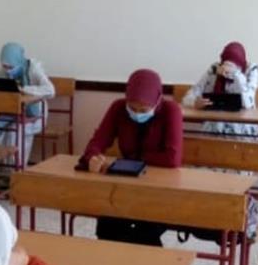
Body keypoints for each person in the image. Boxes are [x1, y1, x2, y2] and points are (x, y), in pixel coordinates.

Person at [77, 69, 182, 247]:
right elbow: (97, 142)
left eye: (144, 110)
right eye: (132, 108)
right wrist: (93, 157)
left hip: (159, 188)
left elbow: (172, 158)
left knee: (145, 232)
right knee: (106, 227)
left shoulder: (171, 110)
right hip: (125, 184)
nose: (137, 114)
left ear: (157, 101)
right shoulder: (118, 107)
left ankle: (147, 263)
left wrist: (133, 158)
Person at [0, 42, 55, 165]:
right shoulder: (4, 70)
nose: (8, 70)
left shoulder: (33, 69)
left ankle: (16, 167)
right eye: (5, 66)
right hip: (13, 111)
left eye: (10, 67)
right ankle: (0, 165)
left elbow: (50, 90)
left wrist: (24, 89)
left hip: (35, 113)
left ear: (18, 61)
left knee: (14, 131)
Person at [182, 41, 258, 138]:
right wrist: (195, 102)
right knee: (216, 124)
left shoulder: (251, 69)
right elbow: (187, 98)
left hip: (243, 124)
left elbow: (248, 103)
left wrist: (236, 74)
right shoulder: (214, 69)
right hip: (216, 121)